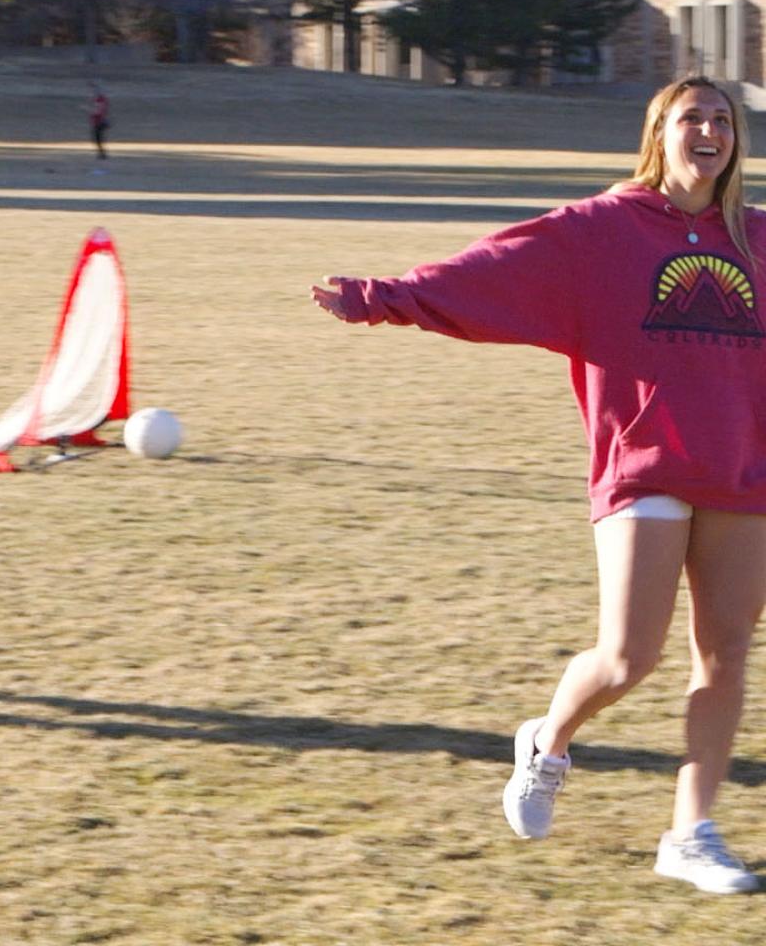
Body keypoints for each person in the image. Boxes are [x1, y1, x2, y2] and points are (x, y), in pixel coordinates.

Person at [311, 76, 766, 894]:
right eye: (692, 118)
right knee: (629, 658)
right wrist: (383, 298)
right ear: (658, 134)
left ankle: (690, 834)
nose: (710, 132)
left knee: (725, 656)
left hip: (743, 472)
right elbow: (492, 273)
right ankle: (549, 743)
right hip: (644, 465)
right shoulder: (601, 229)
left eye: (724, 120)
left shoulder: (759, 238)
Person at [88, 83, 110, 161]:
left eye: (94, 90)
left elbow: (98, 111)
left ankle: (102, 154)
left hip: (99, 122)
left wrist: (88, 110)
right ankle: (102, 154)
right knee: (99, 138)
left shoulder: (100, 100)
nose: (92, 92)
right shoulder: (101, 99)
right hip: (98, 121)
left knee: (97, 138)